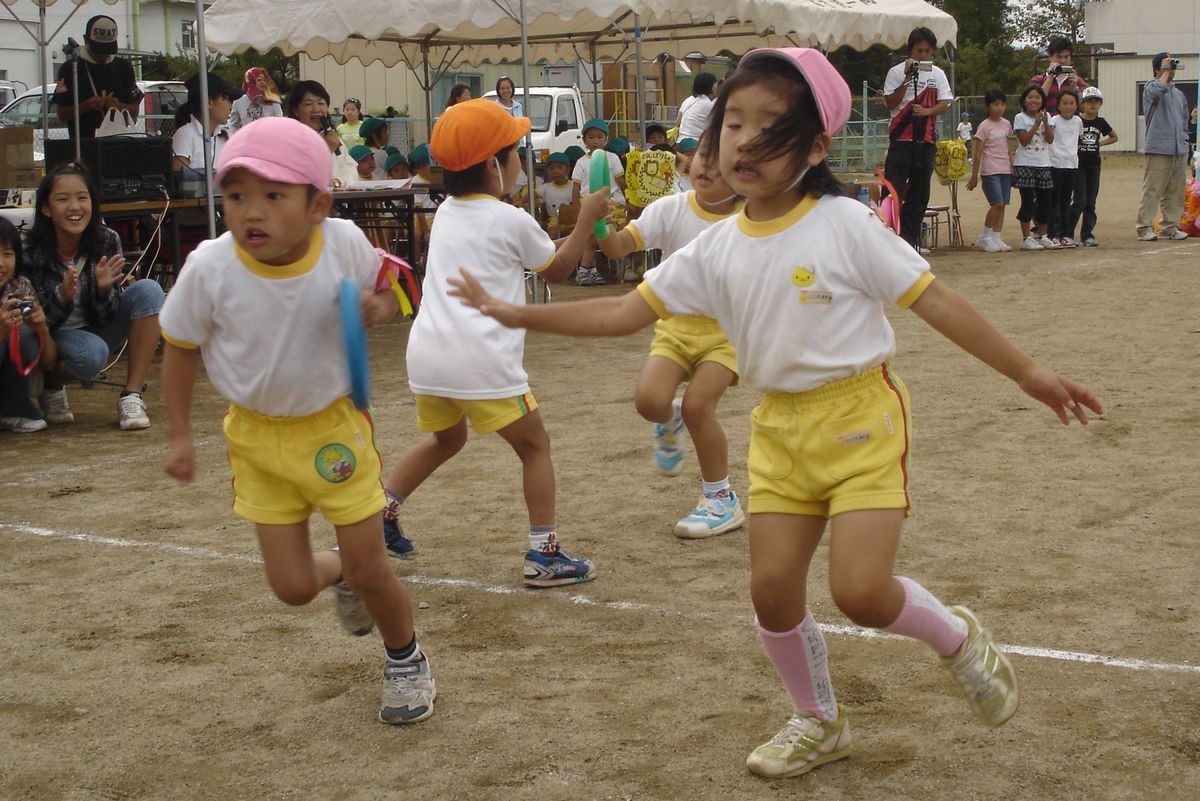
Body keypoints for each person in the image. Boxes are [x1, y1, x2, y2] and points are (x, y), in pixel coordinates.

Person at [447, 46, 1102, 780]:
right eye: (732, 125)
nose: (743, 143)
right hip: (779, 428)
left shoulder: (845, 225)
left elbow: (936, 299)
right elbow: (626, 312)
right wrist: (516, 314)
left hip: (859, 419)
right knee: (770, 590)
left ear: (816, 146)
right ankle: (819, 720)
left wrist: (1028, 372)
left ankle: (956, 638)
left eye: (770, 129)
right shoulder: (714, 246)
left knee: (859, 592)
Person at [160, 116, 434, 724]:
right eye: (235, 196)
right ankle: (343, 575)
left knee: (372, 568)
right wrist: (179, 434)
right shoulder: (210, 266)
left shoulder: (342, 244)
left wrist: (379, 306)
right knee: (291, 588)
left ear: (318, 205)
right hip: (255, 439)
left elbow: (402, 288)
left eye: (272, 196)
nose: (250, 212)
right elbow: (178, 346)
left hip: (333, 429)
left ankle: (405, 659)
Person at [380, 99, 611, 586]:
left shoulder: (446, 212)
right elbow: (561, 268)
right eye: (514, 155)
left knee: (448, 437)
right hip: (480, 358)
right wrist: (587, 216)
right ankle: (544, 553)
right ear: (492, 166)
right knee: (534, 445)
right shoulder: (509, 218)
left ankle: (380, 516)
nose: (519, 164)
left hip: (428, 355)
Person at [595, 133, 744, 537]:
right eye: (700, 158)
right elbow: (616, 248)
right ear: (686, 163)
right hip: (674, 327)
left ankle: (720, 498)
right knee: (649, 401)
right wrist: (602, 225)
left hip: (726, 333)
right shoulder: (670, 208)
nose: (706, 167)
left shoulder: (751, 220)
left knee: (699, 406)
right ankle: (668, 418)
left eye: (719, 161)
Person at [23, 163, 164, 430]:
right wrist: (62, 297)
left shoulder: (107, 239)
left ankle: (131, 395)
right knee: (92, 355)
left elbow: (105, 316)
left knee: (149, 290)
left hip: (95, 327)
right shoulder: (33, 252)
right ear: (46, 208)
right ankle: (52, 385)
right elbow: (37, 324)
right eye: (63, 199)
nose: (74, 207)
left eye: (82, 198)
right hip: (55, 335)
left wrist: (102, 291)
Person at [882, 27, 953, 251]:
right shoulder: (895, 72)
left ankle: (911, 240)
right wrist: (906, 78)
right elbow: (891, 103)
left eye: (927, 51)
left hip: (926, 139)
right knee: (893, 189)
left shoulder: (937, 74)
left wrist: (927, 112)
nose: (923, 55)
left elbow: (945, 102)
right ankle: (888, 239)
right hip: (901, 140)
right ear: (910, 50)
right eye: (919, 50)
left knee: (920, 192)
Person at [1, 218, 56, 433]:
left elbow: (50, 362)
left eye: (7, 254)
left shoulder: (21, 286)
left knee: (24, 332)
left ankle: (13, 410)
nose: (1, 263)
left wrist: (41, 328)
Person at [52, 15, 143, 139]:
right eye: (98, 51)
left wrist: (119, 106)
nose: (103, 56)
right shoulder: (70, 69)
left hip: (119, 143)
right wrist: (87, 105)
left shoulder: (123, 67)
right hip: (83, 145)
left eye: (107, 51)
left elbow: (134, 110)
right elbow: (61, 113)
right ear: (85, 40)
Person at [1137, 53, 1191, 241]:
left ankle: (1170, 227)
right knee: (1153, 189)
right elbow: (1156, 92)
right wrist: (1165, 72)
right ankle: (1144, 228)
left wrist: (1185, 140)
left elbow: (1184, 121)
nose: (1171, 68)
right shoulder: (1150, 87)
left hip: (1179, 148)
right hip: (1159, 147)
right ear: (1156, 69)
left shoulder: (1178, 94)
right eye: (1166, 64)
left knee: (1175, 191)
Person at [570, 118, 627, 286]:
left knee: (603, 235)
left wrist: (629, 199)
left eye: (600, 137)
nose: (595, 141)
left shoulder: (612, 158)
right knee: (592, 236)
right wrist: (575, 208)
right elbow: (576, 188)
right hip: (589, 205)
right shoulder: (581, 162)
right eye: (591, 137)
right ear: (585, 140)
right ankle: (587, 270)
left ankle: (589, 270)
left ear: (606, 139)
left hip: (613, 204)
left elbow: (621, 181)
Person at [966, 89, 1013, 252]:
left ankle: (996, 236)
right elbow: (978, 152)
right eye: (995, 104)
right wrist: (974, 176)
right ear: (988, 106)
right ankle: (985, 236)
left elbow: (1008, 147)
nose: (999, 108)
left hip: (1005, 168)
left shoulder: (1007, 124)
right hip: (990, 169)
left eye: (1002, 104)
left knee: (1003, 204)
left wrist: (1011, 166)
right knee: (997, 203)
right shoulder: (984, 126)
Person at [1070, 86, 1117, 247]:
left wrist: (1100, 143)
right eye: (1089, 101)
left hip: (1094, 165)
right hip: (1079, 165)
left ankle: (1087, 234)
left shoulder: (1100, 122)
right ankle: (1068, 232)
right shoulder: (1077, 120)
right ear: (1082, 103)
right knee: (1079, 200)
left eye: (1096, 102)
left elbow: (1114, 137)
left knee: (1091, 201)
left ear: (1100, 104)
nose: (1092, 105)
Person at [1012, 85, 1058, 251]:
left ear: (1042, 101)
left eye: (1037, 98)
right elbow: (1024, 141)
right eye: (1030, 97)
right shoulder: (1020, 117)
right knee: (1028, 201)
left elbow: (1050, 139)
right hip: (1025, 163)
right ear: (1024, 100)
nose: (1034, 101)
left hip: (1043, 163)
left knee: (1045, 201)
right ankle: (1026, 238)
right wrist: (1035, 124)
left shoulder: (1048, 116)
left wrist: (1045, 123)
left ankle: (1043, 235)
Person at [172, 72, 242, 179]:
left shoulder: (226, 137)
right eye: (227, 99)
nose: (231, 105)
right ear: (209, 102)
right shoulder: (185, 135)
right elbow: (180, 181)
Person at [1048, 89, 1083, 246]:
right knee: (1054, 200)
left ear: (1076, 105)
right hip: (1055, 164)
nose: (1068, 106)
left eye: (1071, 103)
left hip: (1071, 165)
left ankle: (1066, 234)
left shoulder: (1078, 121)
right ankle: (1053, 234)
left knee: (1066, 200)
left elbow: (1078, 139)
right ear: (1058, 105)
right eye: (1064, 103)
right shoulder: (1053, 120)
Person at [1030, 37, 1088, 117]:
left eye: (1066, 57)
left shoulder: (1078, 81)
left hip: (1069, 126)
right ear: (1050, 57)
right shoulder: (1037, 80)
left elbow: (1085, 108)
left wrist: (1075, 88)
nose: (1063, 61)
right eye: (1059, 57)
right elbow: (1033, 105)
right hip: (1044, 125)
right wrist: (1049, 78)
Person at [228, 67, 282, 134]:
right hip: (247, 142)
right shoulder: (238, 102)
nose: (263, 83)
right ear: (251, 80)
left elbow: (280, 123)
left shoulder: (273, 101)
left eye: (265, 80)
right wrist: (234, 139)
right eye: (259, 80)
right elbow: (233, 125)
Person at [541, 152, 575, 237]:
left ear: (568, 170)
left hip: (574, 221)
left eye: (560, 168)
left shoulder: (575, 186)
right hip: (555, 221)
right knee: (552, 234)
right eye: (551, 168)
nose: (555, 171)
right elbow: (533, 194)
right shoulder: (545, 188)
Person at [676, 72, 718, 140]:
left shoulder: (688, 100)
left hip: (681, 141)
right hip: (697, 143)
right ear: (711, 86)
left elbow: (677, 122)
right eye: (716, 84)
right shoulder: (709, 104)